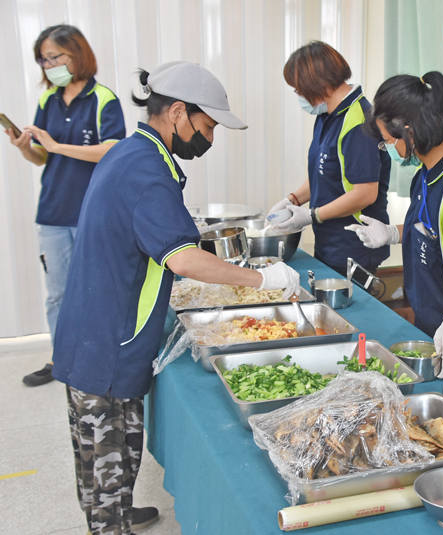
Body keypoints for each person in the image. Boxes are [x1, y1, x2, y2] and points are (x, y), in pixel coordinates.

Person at [50, 61, 300, 535]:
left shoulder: (134, 154)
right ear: (178, 113)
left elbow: (150, 233)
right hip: (106, 341)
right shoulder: (147, 172)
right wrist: (261, 281)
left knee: (114, 447)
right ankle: (110, 522)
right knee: (104, 454)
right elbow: (183, 260)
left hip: (98, 328)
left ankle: (118, 510)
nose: (208, 138)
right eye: (207, 127)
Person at [4, 25, 125, 387]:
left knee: (97, 289)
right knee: (58, 293)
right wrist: (25, 146)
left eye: (55, 56)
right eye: (43, 58)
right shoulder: (48, 100)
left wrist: (57, 146)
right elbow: (42, 157)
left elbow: (112, 150)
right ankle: (61, 360)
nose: (49, 64)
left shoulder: (103, 98)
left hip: (93, 211)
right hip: (53, 212)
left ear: (78, 54)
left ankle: (97, 358)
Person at [349, 72, 443, 377]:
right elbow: (429, 229)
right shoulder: (426, 170)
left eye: (388, 141)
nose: (389, 149)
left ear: (409, 131)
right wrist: (391, 234)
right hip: (428, 324)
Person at [270, 41, 391, 282]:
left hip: (354, 246)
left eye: (299, 89)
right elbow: (323, 172)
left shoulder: (359, 122)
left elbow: (365, 193)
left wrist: (311, 215)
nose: (299, 96)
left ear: (319, 85)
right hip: (329, 242)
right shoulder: (327, 116)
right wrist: (291, 200)